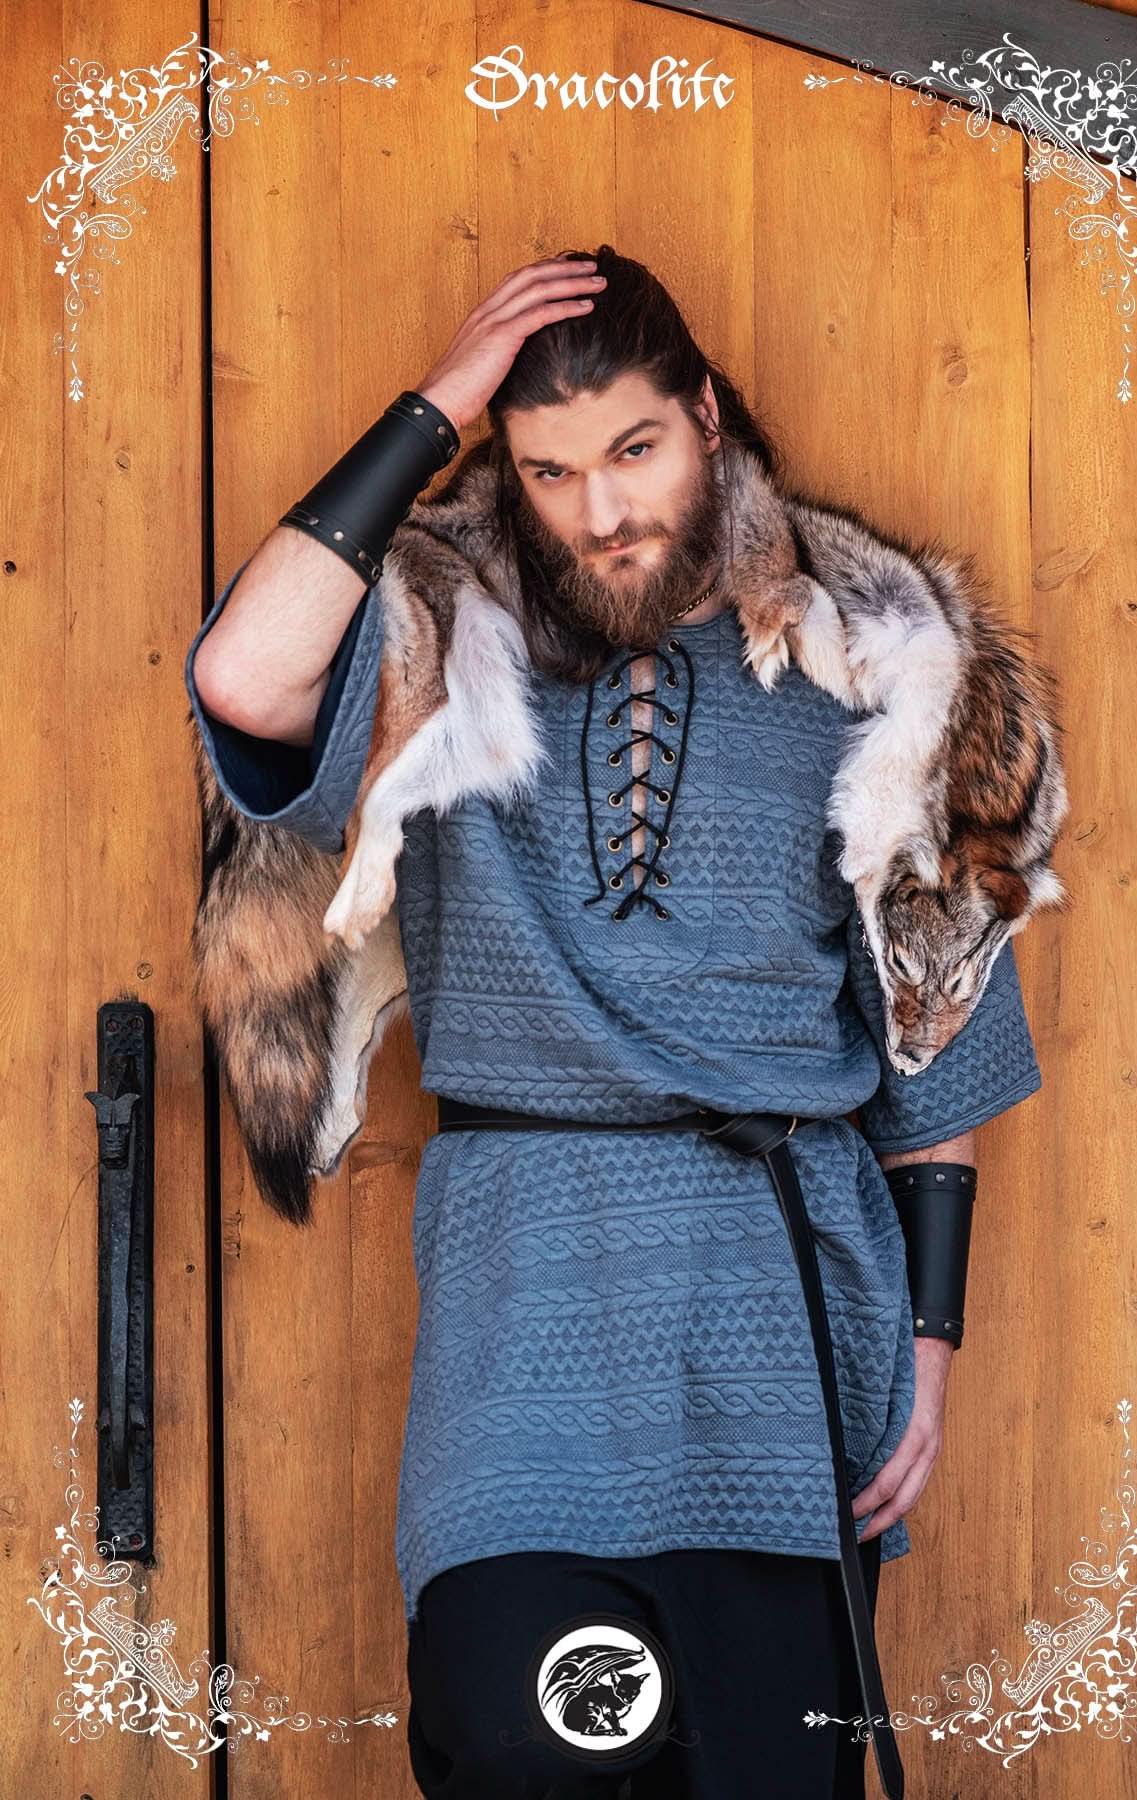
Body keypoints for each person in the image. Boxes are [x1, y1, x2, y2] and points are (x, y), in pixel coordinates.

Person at [185, 246, 1043, 1799]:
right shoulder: (443, 644)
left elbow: (941, 1042)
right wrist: (436, 408)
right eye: (550, 470)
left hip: (781, 1341)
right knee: (524, 1752)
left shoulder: (874, 668)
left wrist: (928, 1347)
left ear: (706, 418)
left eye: (634, 450)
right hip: (525, 1340)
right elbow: (247, 678)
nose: (600, 510)